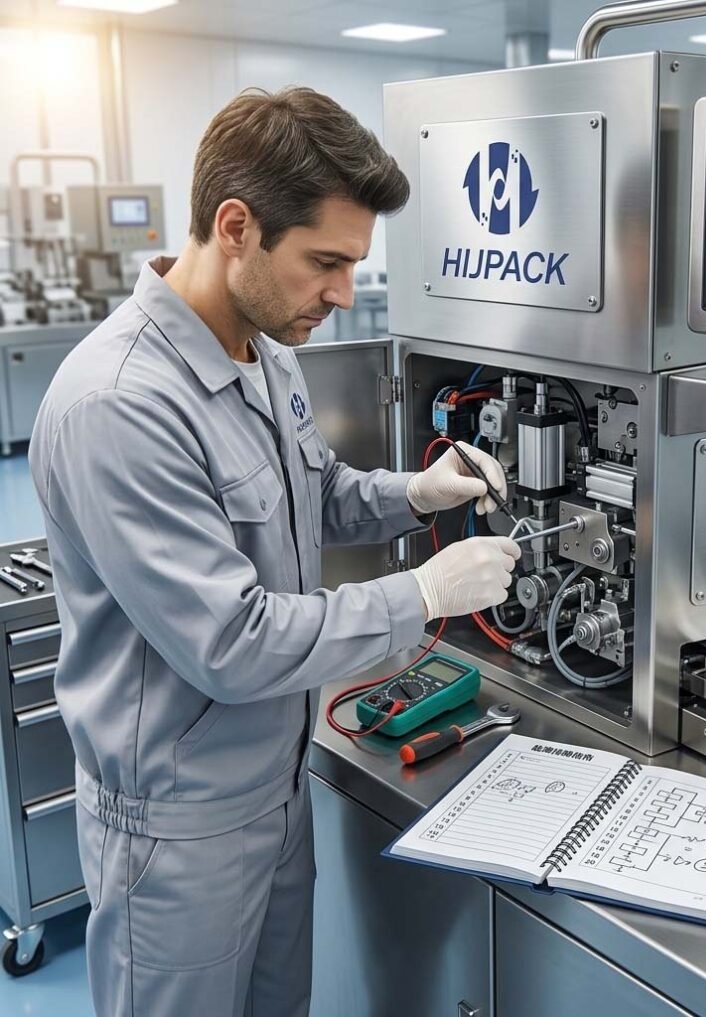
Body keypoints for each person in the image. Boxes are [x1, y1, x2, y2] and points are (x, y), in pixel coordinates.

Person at [29, 86, 519, 1017]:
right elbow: (233, 640)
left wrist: (413, 496)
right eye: (324, 262)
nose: (342, 293)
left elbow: (318, 491)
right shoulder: (122, 404)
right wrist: (423, 593)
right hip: (176, 832)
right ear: (236, 226)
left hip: (274, 788)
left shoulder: (264, 350)